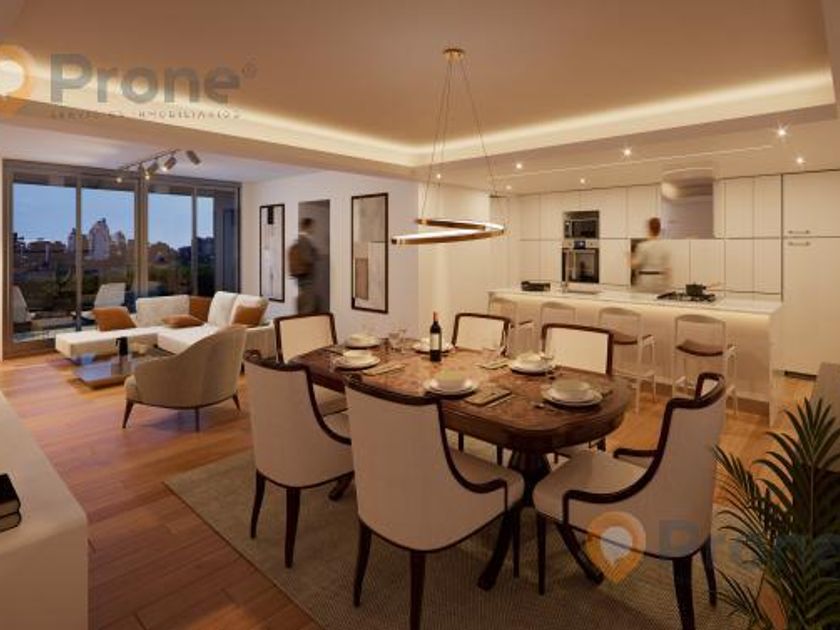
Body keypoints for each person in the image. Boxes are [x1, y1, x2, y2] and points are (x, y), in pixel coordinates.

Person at [631, 217, 671, 293]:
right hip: (659, 281)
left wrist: (630, 257)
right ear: (659, 230)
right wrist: (667, 284)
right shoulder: (664, 247)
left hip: (646, 281)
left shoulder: (643, 246)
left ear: (649, 229)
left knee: (644, 300)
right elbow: (667, 270)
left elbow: (635, 265)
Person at [289, 217, 319, 314]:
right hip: (306, 277)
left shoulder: (300, 240)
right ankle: (304, 321)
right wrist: (315, 254)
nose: (313, 229)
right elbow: (307, 258)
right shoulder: (304, 240)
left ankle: (301, 320)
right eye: (312, 226)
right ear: (308, 226)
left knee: (304, 300)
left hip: (302, 276)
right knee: (308, 304)